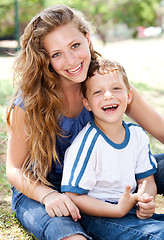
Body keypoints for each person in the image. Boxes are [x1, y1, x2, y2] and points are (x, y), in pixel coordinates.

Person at [6, 4, 164, 240]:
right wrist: (48, 196)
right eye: (56, 54)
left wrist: (145, 193)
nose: (71, 60)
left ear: (87, 38)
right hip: (43, 189)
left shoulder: (107, 85)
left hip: (102, 180)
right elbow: (15, 169)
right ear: (45, 59)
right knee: (71, 236)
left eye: (75, 45)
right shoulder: (29, 103)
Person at [61, 59, 164, 239]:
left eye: (116, 88)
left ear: (129, 95)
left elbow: (146, 180)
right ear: (87, 104)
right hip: (99, 216)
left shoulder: (137, 135)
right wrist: (117, 210)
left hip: (130, 209)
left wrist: (145, 200)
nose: (108, 95)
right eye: (98, 92)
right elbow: (73, 196)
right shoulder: (86, 144)